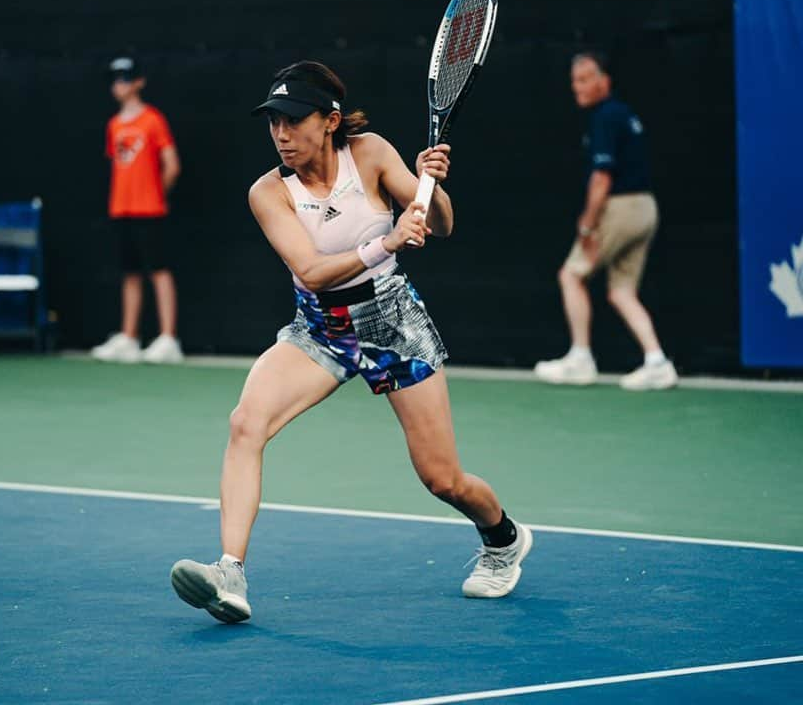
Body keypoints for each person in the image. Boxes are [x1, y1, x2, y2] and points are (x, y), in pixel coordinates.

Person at [170, 60, 532, 624]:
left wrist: (428, 185)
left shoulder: (370, 154)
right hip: (320, 326)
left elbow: (440, 224)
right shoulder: (268, 192)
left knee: (443, 478)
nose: (282, 135)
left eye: (294, 121)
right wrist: (386, 242)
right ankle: (230, 573)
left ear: (330, 120)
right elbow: (311, 272)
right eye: (273, 123)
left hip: (393, 323)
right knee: (246, 423)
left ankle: (503, 537)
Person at [534, 52, 678, 390]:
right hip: (646, 209)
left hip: (622, 208)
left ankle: (581, 359)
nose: (577, 87)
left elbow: (601, 179)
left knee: (571, 275)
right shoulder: (624, 116)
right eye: (574, 81)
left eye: (585, 79)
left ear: (604, 81)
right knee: (622, 290)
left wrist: (587, 225)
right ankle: (658, 362)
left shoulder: (605, 118)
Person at [91, 56, 184, 364]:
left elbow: (171, 165)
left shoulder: (152, 120)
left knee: (159, 271)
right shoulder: (114, 124)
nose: (119, 85)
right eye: (115, 79)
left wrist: (156, 194)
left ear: (139, 82)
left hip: (150, 210)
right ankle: (129, 337)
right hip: (122, 210)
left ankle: (168, 338)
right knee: (129, 273)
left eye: (126, 78)